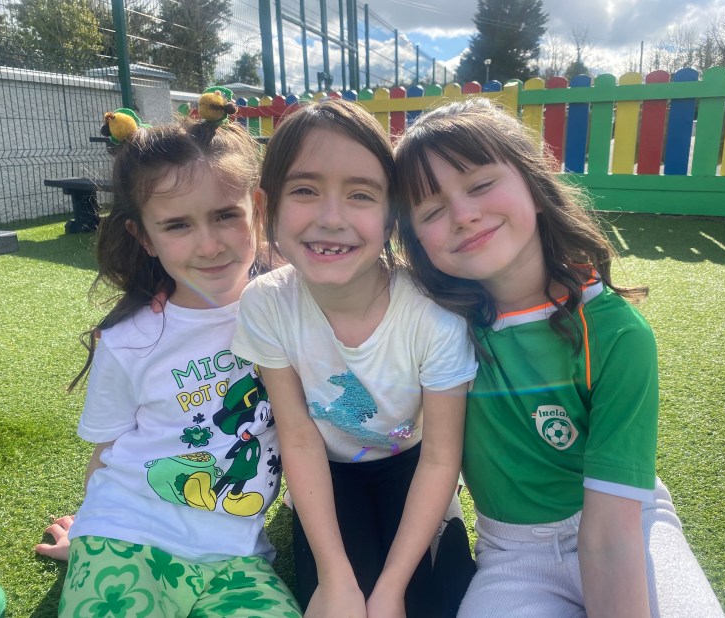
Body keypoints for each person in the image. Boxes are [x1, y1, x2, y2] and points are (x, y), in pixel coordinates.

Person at [394, 96, 725, 618]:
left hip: (629, 525)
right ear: (417, 242)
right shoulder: (435, 324)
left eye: (480, 184)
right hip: (513, 555)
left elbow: (611, 532)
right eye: (432, 211)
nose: (464, 215)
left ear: (535, 185)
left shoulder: (616, 332)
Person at [231, 98, 478, 618]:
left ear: (391, 217)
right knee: (339, 601)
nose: (331, 218)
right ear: (265, 207)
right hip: (325, 472)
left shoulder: (433, 316)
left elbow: (440, 456)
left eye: (361, 194)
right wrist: (336, 576)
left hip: (413, 465)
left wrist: (391, 589)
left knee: (433, 601)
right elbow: (299, 437)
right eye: (304, 190)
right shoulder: (267, 303)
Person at [55, 115, 301, 617]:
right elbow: (107, 453)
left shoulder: (295, 306)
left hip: (238, 556)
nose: (208, 245)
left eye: (225, 215)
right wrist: (89, 536)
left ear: (256, 210)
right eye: (177, 225)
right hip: (126, 536)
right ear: (144, 236)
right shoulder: (128, 342)